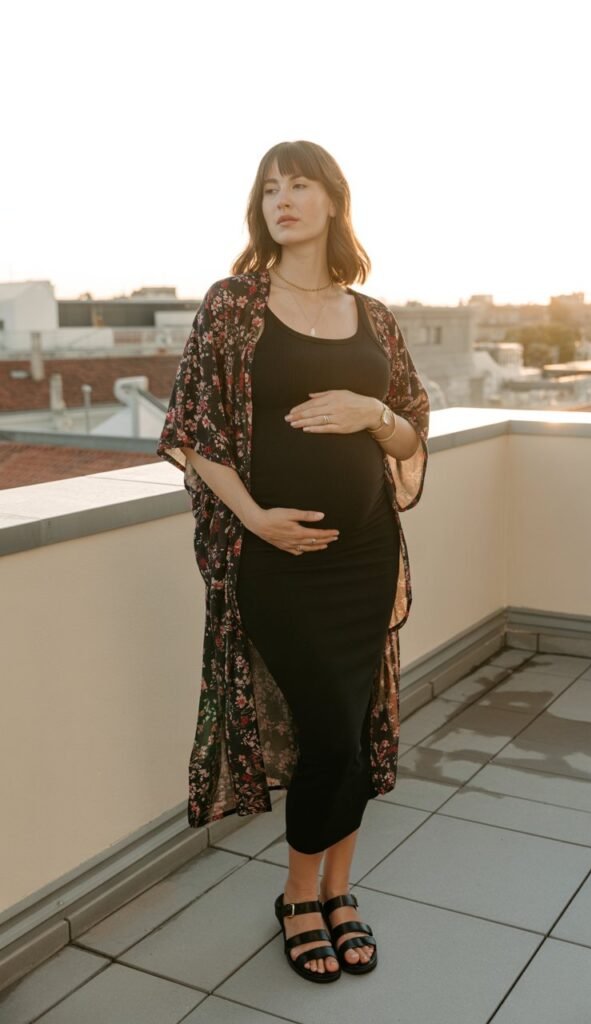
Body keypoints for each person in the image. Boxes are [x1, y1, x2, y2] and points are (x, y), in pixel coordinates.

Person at [156, 140, 430, 984]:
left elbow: (411, 433)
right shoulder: (233, 305)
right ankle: (297, 895)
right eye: (269, 187)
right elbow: (191, 432)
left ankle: (337, 895)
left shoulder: (375, 316)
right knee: (326, 730)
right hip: (274, 557)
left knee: (352, 730)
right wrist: (255, 521)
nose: (282, 198)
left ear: (333, 200)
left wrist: (371, 410)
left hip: (368, 551)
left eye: (299, 183)